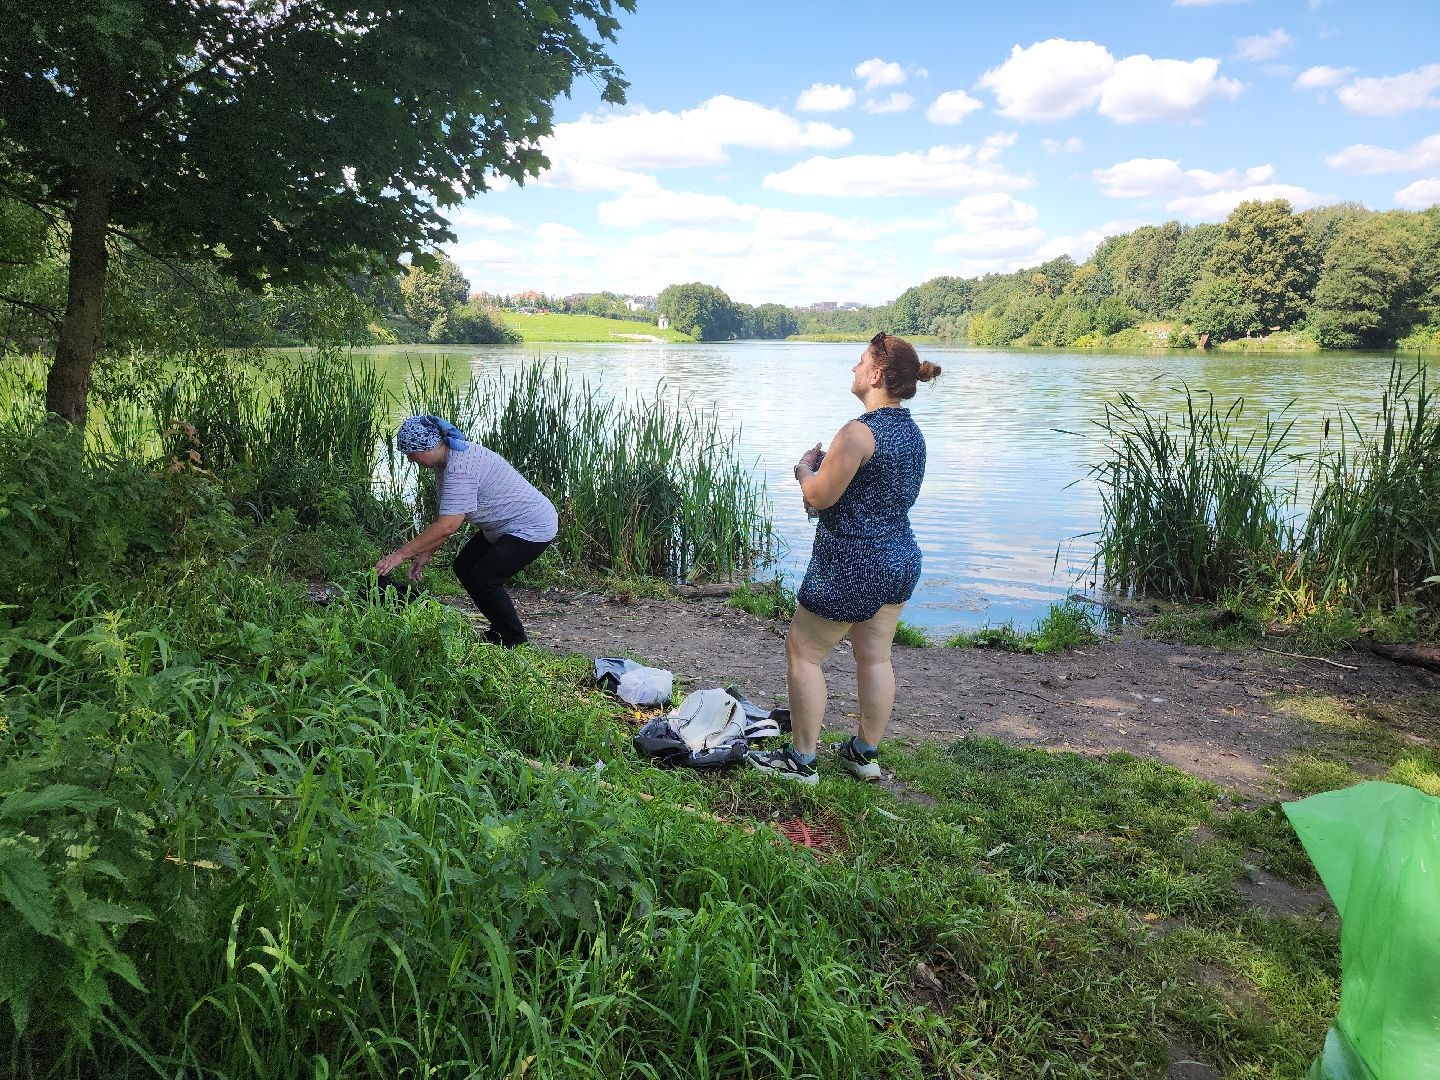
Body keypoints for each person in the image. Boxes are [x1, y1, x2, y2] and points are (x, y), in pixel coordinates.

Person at [748, 333, 941, 785]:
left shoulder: (858, 432)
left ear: (876, 375)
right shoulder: (912, 433)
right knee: (875, 659)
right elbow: (876, 494)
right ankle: (863, 753)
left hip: (850, 564)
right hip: (898, 559)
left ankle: (801, 761)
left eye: (859, 363)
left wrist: (804, 469)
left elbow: (818, 496)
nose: (853, 370)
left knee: (804, 652)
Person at [375, 414, 558, 647]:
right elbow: (446, 518)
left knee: (485, 577)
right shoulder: (448, 461)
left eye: (411, 452)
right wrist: (426, 553)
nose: (410, 459)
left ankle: (513, 639)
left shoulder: (460, 468)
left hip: (531, 526)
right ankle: (498, 631)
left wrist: (400, 555)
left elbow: (448, 526)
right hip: (503, 526)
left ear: (428, 446)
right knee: (464, 566)